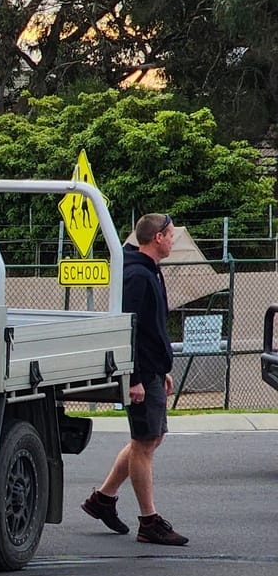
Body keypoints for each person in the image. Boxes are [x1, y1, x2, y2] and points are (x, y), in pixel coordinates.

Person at [82, 212, 188, 546]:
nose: (173, 241)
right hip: (140, 373)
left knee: (151, 439)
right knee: (144, 443)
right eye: (171, 235)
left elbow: (152, 328)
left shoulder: (150, 270)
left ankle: (103, 499)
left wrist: (161, 369)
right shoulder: (137, 276)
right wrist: (135, 378)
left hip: (151, 369)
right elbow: (128, 330)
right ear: (157, 237)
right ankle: (149, 522)